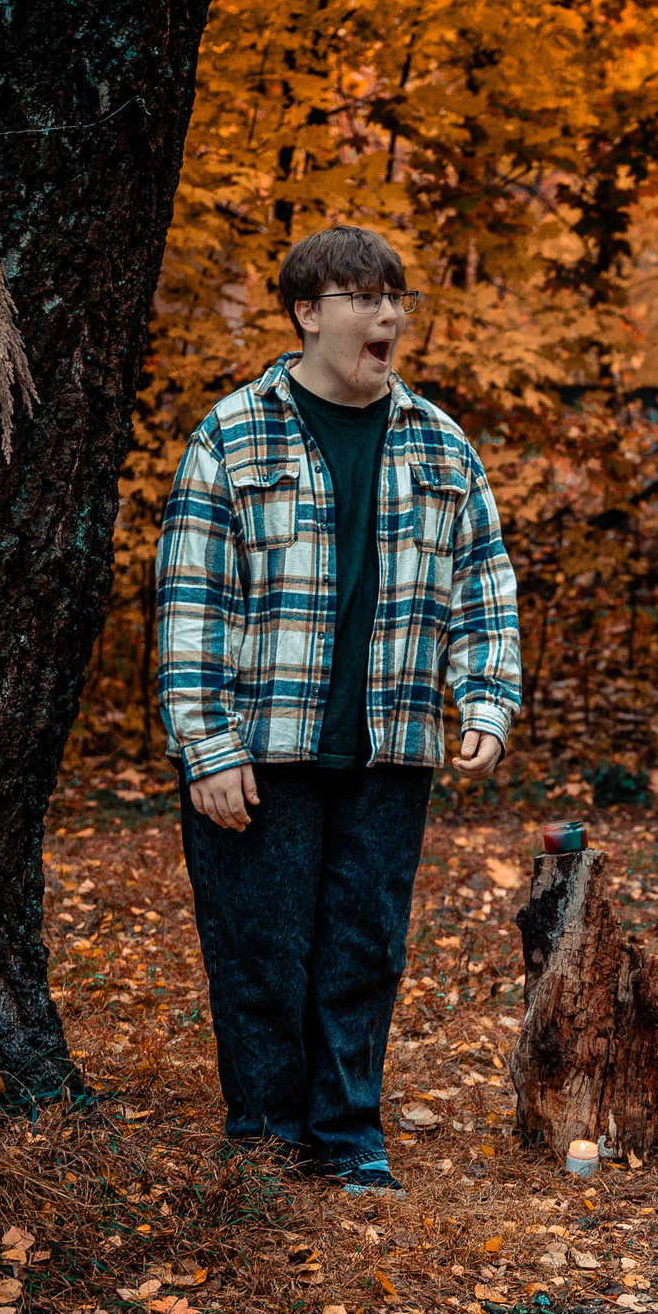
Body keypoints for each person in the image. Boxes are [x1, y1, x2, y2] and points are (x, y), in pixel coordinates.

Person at [156, 224, 520, 1197]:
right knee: (264, 950)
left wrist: (483, 694)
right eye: (363, 297)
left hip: (390, 745)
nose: (389, 315)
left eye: (397, 296)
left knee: (363, 949)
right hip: (263, 748)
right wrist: (208, 745)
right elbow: (194, 600)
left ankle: (348, 1137)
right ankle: (266, 1143)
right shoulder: (233, 434)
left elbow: (483, 582)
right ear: (308, 314)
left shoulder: (438, 444)